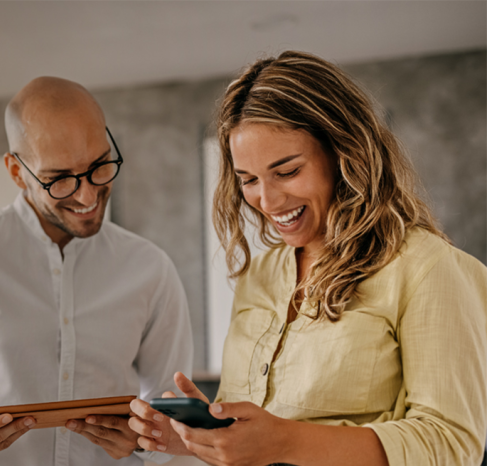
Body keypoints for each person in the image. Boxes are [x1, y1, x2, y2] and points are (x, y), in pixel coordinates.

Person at [129, 51, 487, 466]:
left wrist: (284, 441)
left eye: (287, 171)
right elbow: (251, 440)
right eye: (248, 180)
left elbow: (451, 443)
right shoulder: (259, 275)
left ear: (343, 153)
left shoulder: (427, 267)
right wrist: (197, 436)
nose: (267, 199)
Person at [0, 76, 193, 466]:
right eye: (60, 179)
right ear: (16, 172)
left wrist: (146, 440)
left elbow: (173, 400)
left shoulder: (150, 266)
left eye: (100, 166)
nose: (86, 195)